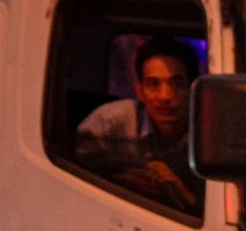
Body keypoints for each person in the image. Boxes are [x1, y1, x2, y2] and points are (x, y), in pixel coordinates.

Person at [75, 35, 205, 213]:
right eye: (153, 84)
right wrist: (123, 179)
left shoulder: (208, 134)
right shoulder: (109, 120)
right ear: (140, 91)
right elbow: (71, 171)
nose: (165, 96)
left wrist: (182, 192)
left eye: (177, 83)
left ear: (193, 90)